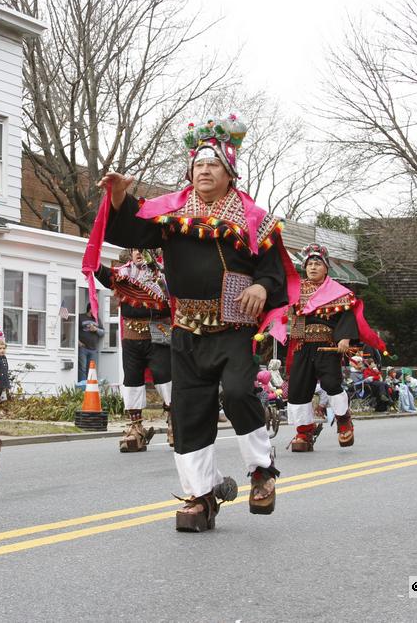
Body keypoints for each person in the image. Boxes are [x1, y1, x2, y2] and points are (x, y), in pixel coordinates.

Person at [86, 115, 297, 532]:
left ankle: (261, 471)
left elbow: (273, 273)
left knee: (238, 393)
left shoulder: (255, 219)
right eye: (198, 165)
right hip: (185, 331)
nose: (204, 170)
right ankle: (200, 497)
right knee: (188, 411)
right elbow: (129, 230)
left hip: (233, 330)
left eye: (213, 164)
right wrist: (118, 197)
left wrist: (259, 287)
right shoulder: (171, 214)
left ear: (230, 171)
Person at [284, 244, 385, 451]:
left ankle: (343, 419)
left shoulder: (337, 292)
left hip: (327, 346)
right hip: (302, 345)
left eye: (317, 264)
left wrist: (345, 338)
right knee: (297, 389)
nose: (312, 267)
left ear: (326, 268)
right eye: (309, 264)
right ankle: (304, 432)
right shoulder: (295, 290)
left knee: (331, 383)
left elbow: (347, 316)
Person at [95, 249, 173, 452]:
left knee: (165, 376)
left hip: (159, 333)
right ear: (131, 253)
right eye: (136, 249)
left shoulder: (164, 273)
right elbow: (103, 274)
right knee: (131, 379)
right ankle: (135, 427)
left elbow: (172, 297)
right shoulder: (123, 274)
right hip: (131, 337)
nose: (140, 253)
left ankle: (175, 422)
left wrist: (158, 272)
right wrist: (92, 261)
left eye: (144, 249)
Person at [78, 304, 103, 383]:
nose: (96, 312)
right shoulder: (80, 317)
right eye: (95, 310)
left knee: (91, 369)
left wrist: (96, 329)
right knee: (82, 368)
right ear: (90, 309)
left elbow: (102, 332)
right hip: (83, 347)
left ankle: (90, 386)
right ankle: (82, 387)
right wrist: (77, 341)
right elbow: (73, 329)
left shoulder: (97, 319)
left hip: (93, 349)